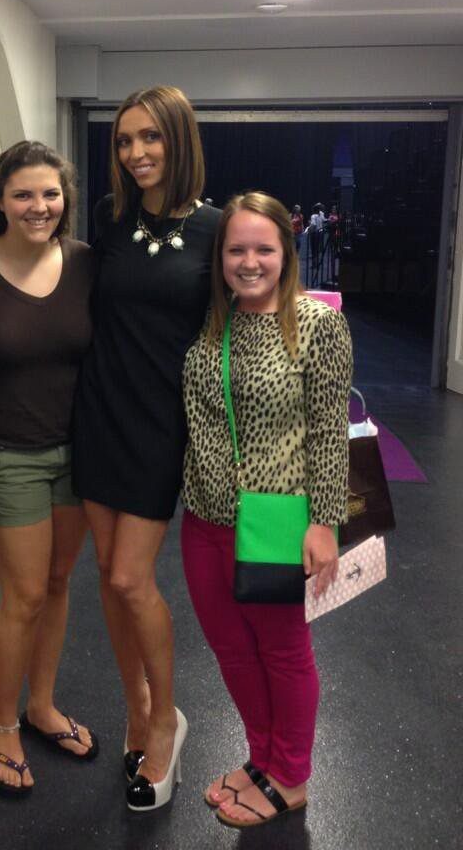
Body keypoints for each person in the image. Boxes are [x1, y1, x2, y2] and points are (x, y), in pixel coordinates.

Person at [180, 191, 352, 829]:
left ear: (287, 252)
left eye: (264, 249)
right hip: (203, 515)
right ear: (219, 255)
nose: (249, 262)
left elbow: (330, 431)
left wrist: (323, 523)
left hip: (279, 519)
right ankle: (261, 757)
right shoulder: (210, 322)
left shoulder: (315, 323)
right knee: (230, 647)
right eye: (236, 249)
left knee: (283, 651)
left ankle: (292, 776)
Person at [72, 85, 221, 811]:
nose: (135, 153)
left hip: (163, 423)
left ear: (179, 140)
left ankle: (166, 718)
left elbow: (242, 319)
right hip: (99, 412)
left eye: (150, 138)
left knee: (134, 579)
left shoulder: (216, 229)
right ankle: (134, 706)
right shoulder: (108, 218)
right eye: (125, 141)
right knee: (106, 572)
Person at [0, 141, 97, 796]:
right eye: (24, 195)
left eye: (51, 194)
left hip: (82, 452)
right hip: (8, 451)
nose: (40, 207)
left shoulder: (87, 263)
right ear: (0, 200)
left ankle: (41, 704)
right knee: (25, 594)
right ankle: (2, 724)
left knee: (59, 582)